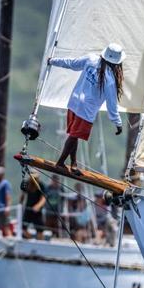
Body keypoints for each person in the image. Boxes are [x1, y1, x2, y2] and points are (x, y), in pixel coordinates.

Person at [48, 43, 125, 174]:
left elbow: (71, 63)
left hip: (74, 102)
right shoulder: (110, 79)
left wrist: (52, 61)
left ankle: (73, 163)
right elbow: (112, 105)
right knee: (73, 136)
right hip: (86, 110)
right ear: (117, 63)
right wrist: (118, 123)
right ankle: (60, 163)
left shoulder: (91, 59)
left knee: (74, 135)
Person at [21, 173, 47, 239]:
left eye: (35, 178)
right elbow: (23, 195)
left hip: (37, 211)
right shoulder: (27, 183)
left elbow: (43, 198)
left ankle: (40, 244)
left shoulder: (41, 185)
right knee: (23, 228)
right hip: (28, 209)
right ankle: (30, 239)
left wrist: (38, 206)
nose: (34, 179)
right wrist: (20, 204)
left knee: (40, 230)